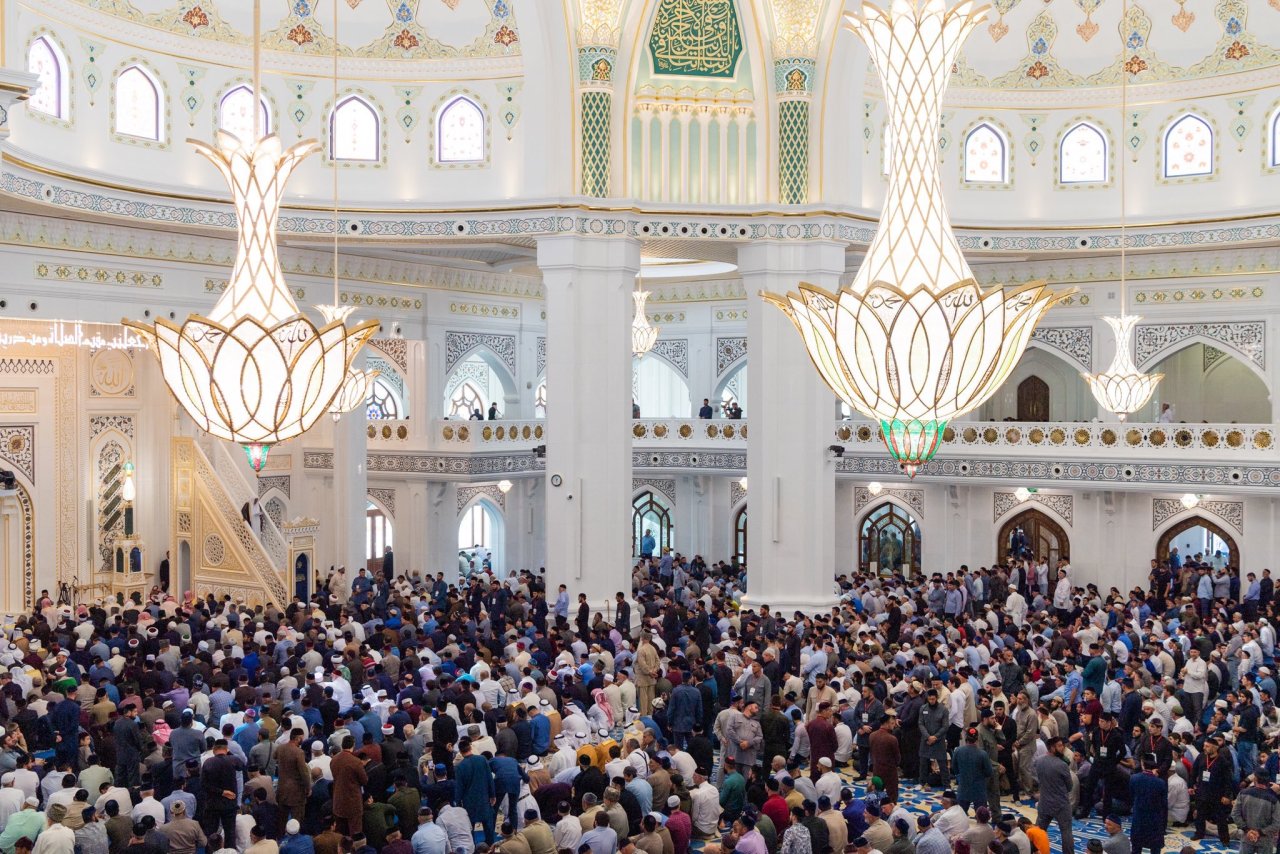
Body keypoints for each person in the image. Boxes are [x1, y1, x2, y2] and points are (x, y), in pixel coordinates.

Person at [1032, 738, 1073, 854]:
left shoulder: (1039, 761)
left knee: (1038, 831)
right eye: (1059, 746)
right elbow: (1070, 786)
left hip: (1044, 802)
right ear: (1052, 748)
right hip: (1061, 804)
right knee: (1066, 832)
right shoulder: (1062, 765)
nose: (1062, 748)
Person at [1128, 758, 1167, 854]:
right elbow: (1164, 804)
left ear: (1143, 766)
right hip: (1154, 820)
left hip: (1139, 818)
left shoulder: (1134, 778)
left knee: (1136, 848)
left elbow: (1130, 795)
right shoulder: (1161, 783)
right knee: (1155, 848)